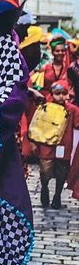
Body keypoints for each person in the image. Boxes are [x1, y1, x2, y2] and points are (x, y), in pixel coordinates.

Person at [29, 80, 79, 209]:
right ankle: (44, 188)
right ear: (52, 94)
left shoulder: (73, 110)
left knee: (62, 173)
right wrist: (33, 143)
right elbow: (36, 125)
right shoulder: (45, 107)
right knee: (45, 172)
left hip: (64, 148)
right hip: (47, 147)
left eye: (64, 93)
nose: (61, 96)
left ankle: (57, 196)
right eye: (58, 93)